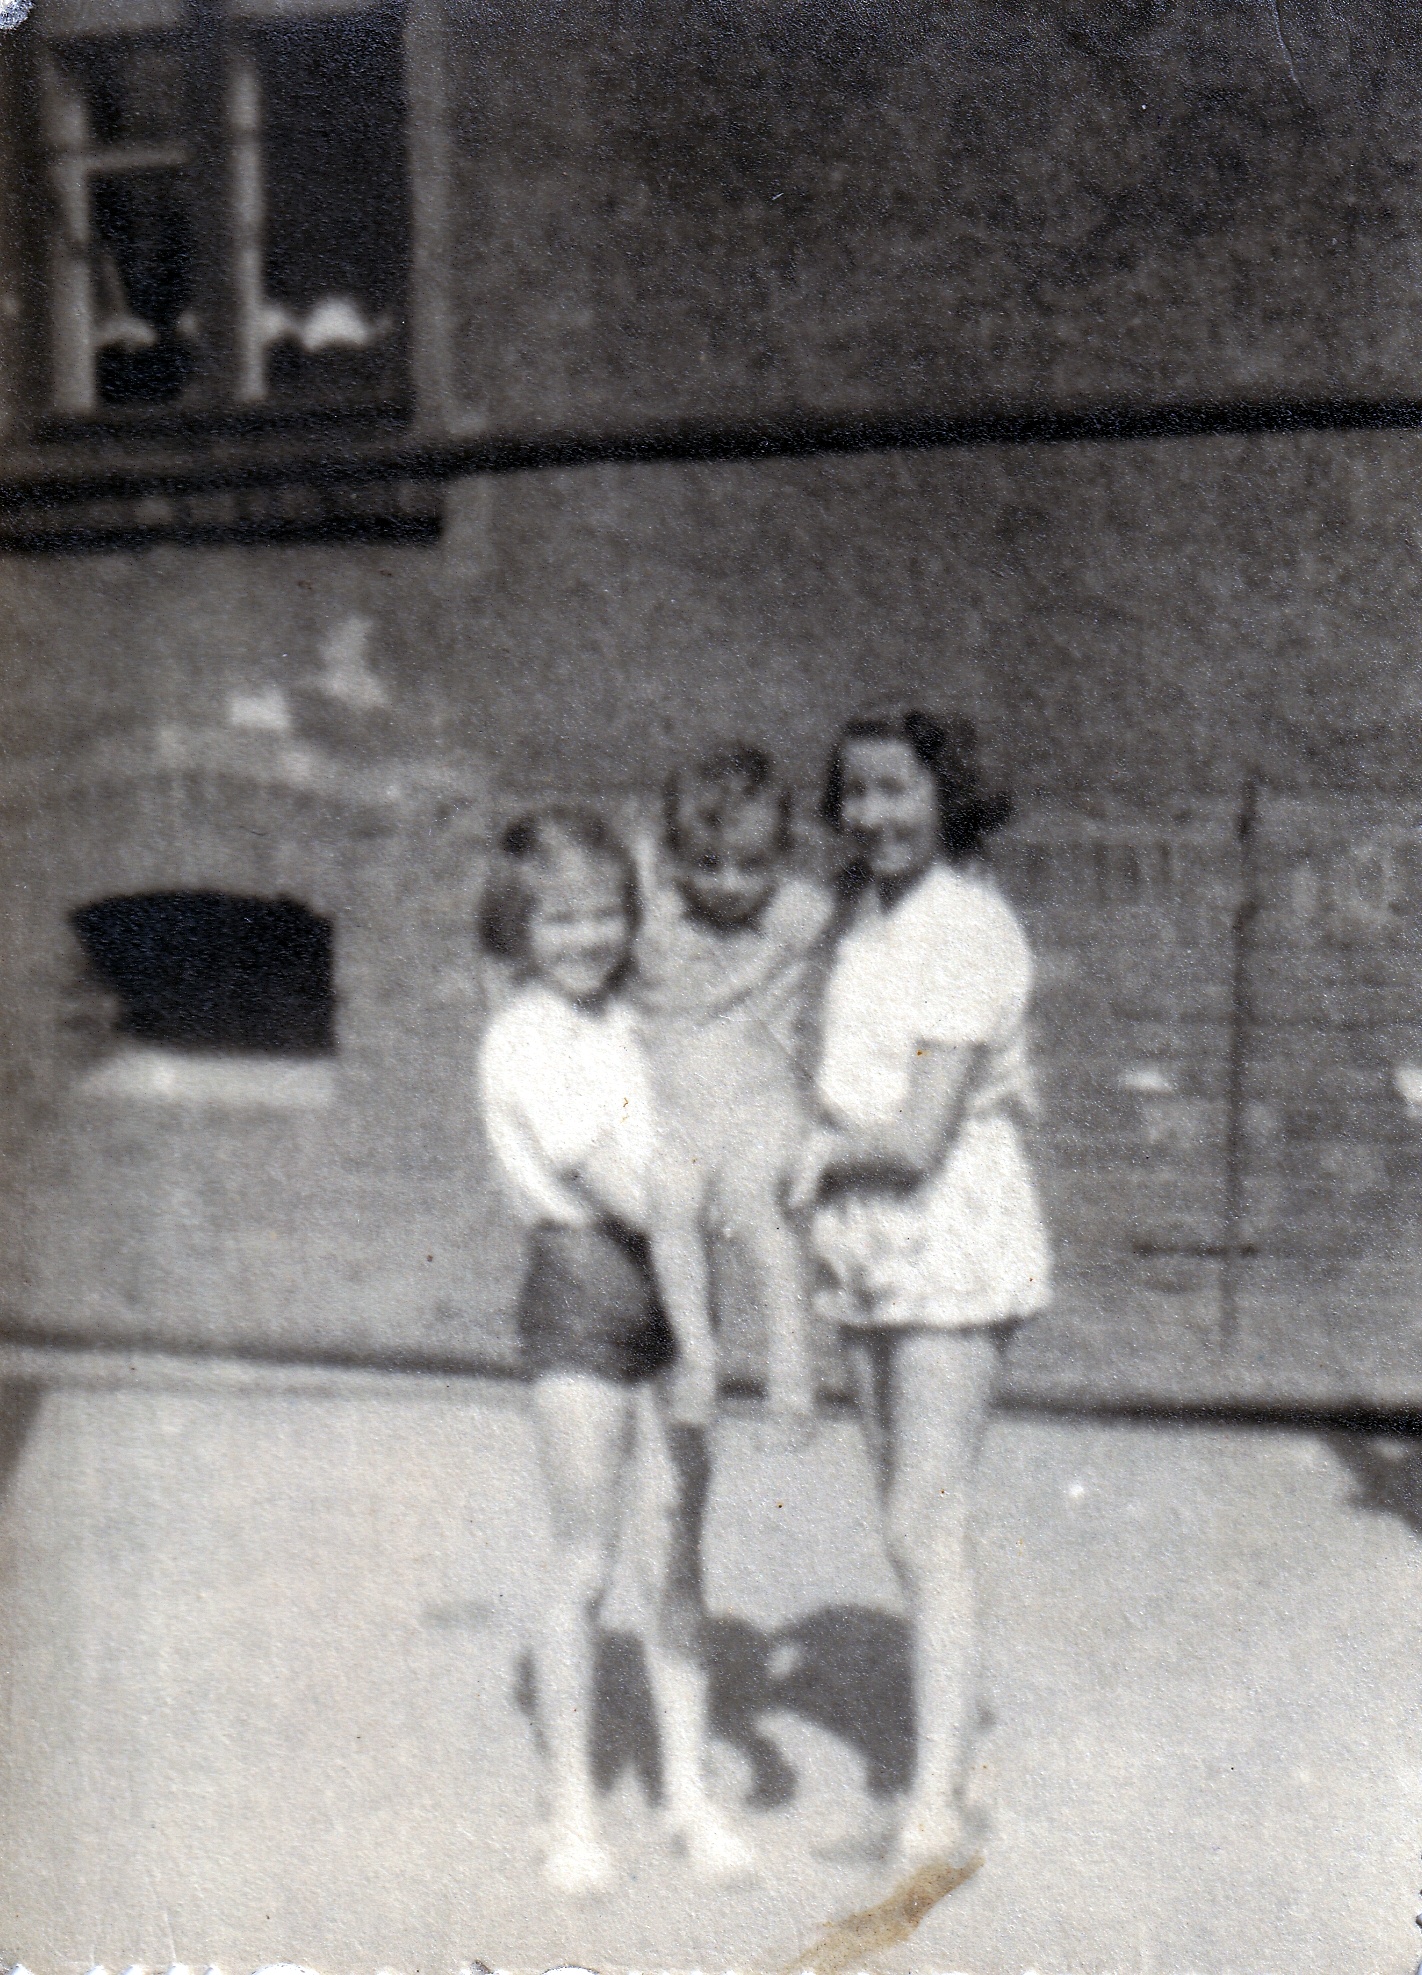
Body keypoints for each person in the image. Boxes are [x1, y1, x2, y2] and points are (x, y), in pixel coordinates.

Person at [787, 709, 1051, 1872]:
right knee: (908, 1515)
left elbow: (920, 1134)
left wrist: (805, 1159)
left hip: (947, 1226)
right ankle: (945, 1771)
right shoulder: (865, 919)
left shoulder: (967, 926)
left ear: (947, 797)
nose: (872, 814)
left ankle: (935, 1808)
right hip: (867, 1234)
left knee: (921, 1519)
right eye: (854, 793)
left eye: (896, 790)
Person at [477, 808, 754, 1896]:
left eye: (605, 914)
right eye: (559, 919)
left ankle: (688, 1794)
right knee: (585, 1559)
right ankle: (572, 1811)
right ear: (518, 928)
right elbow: (622, 1185)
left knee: (676, 1556)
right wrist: (724, 1210)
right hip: (584, 1285)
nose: (587, 937)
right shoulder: (523, 1038)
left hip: (675, 1288)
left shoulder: (641, 1021)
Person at [632, 744, 834, 1434]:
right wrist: (649, 857)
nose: (729, 883)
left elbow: (861, 894)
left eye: (752, 864)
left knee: (754, 1206)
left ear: (782, 858)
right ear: (676, 859)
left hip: (762, 1107)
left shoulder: (795, 914)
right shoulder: (660, 920)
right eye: (708, 863)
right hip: (678, 1112)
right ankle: (699, 1361)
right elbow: (624, 883)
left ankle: (792, 1369)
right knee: (670, 1204)